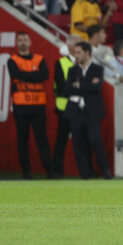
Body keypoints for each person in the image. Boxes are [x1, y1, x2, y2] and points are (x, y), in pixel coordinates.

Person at [7, 32, 54, 179]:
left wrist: (24, 75)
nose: (22, 42)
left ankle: (50, 171)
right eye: (20, 40)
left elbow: (44, 75)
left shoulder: (39, 59)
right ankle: (26, 172)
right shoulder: (12, 60)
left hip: (38, 105)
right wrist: (33, 76)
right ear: (16, 43)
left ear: (30, 42)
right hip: (21, 105)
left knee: (42, 139)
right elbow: (15, 74)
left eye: (25, 40)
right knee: (22, 140)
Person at [65, 41, 111, 179]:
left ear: (87, 53)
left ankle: (106, 171)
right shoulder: (73, 70)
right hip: (76, 111)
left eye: (79, 52)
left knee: (96, 140)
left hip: (91, 111)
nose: (76, 55)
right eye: (75, 53)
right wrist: (88, 85)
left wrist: (79, 85)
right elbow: (68, 89)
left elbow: (97, 88)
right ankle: (85, 174)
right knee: (78, 144)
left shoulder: (97, 69)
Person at [50, 44, 76, 177]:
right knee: (62, 140)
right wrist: (77, 91)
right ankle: (57, 170)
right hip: (64, 106)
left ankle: (86, 169)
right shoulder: (61, 62)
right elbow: (61, 86)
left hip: (78, 107)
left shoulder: (81, 62)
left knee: (82, 139)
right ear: (71, 47)